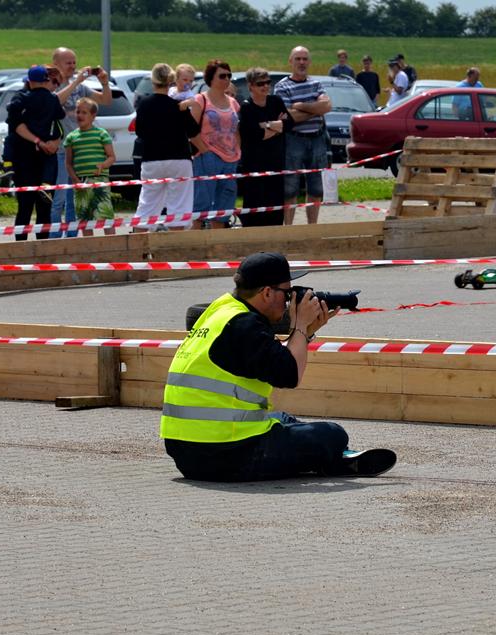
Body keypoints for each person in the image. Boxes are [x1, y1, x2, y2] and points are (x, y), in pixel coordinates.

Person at [160, 251, 397, 481]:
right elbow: (289, 375)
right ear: (266, 292)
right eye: (286, 293)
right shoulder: (245, 326)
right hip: (228, 456)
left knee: (282, 418)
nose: (288, 301)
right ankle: (332, 456)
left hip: (187, 454)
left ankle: (329, 457)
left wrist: (306, 333)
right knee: (333, 434)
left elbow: (269, 359)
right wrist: (300, 327)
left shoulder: (222, 312)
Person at [50, 47, 111, 237]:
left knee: (74, 199)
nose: (73, 66)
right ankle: (53, 238)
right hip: (60, 150)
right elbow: (55, 102)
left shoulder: (80, 88)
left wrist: (105, 83)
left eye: (74, 62)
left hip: (79, 150)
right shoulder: (53, 86)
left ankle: (72, 238)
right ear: (56, 65)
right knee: (58, 198)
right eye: (68, 62)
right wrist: (76, 80)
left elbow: (105, 100)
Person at [133, 63, 199, 232]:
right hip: (179, 159)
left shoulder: (143, 104)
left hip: (151, 159)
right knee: (179, 206)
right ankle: (174, 252)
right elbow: (193, 130)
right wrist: (187, 108)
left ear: (153, 81)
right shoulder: (178, 104)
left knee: (147, 205)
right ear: (171, 81)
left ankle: (137, 250)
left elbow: (139, 132)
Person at [273, 46, 331, 226]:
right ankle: (288, 228)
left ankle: (311, 227)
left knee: (316, 187)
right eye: (298, 59)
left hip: (317, 139)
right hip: (293, 139)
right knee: (289, 188)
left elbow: (327, 107)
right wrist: (315, 109)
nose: (302, 63)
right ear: (290, 61)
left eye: (305, 59)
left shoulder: (316, 84)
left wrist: (300, 105)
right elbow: (290, 118)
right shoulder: (282, 86)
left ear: (310, 62)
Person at [6, 65, 65, 241]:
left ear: (29, 81)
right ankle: (43, 246)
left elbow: (15, 123)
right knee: (44, 207)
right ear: (46, 80)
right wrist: (51, 142)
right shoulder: (52, 99)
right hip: (46, 157)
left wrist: (37, 141)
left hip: (25, 158)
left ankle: (21, 246)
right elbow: (59, 119)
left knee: (24, 207)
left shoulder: (21, 98)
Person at [237, 66, 295, 228]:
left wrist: (267, 125)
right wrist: (277, 127)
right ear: (251, 87)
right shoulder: (247, 107)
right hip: (254, 165)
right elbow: (255, 135)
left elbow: (289, 124)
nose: (265, 86)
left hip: (276, 163)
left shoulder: (276, 101)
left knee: (275, 207)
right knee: (255, 208)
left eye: (267, 82)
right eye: (260, 83)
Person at [187, 59, 241, 229]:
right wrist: (205, 151)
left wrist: (238, 151)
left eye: (229, 76)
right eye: (222, 76)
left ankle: (217, 249)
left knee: (224, 209)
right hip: (206, 158)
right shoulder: (200, 100)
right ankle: (198, 249)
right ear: (210, 78)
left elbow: (236, 129)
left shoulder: (233, 102)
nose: (227, 79)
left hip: (231, 160)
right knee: (201, 206)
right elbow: (190, 130)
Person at [63, 97, 116, 237]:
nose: (79, 115)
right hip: (80, 182)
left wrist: (103, 165)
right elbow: (68, 163)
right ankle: (89, 247)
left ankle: (113, 243)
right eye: (78, 111)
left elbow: (112, 157)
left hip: (99, 180)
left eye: (84, 112)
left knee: (105, 215)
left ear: (93, 116)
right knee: (84, 218)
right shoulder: (71, 137)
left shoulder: (101, 134)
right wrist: (74, 179)